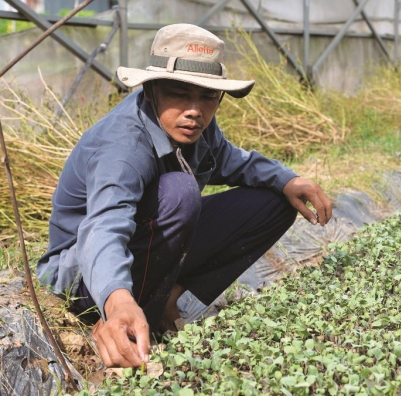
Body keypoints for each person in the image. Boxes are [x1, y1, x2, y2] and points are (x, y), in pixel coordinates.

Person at [37, 24, 332, 368]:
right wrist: (117, 301)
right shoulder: (123, 147)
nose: (195, 110)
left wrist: (288, 179)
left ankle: (165, 299)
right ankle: (132, 313)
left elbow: (231, 160)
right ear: (150, 91)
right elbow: (103, 228)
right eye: (179, 93)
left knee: (276, 201)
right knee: (180, 192)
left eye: (208, 97)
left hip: (142, 246)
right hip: (82, 272)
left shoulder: (193, 126)